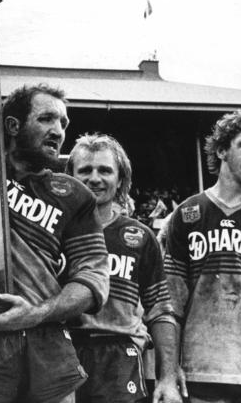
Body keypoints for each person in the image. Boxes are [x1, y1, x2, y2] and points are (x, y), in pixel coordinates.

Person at [0, 84, 109, 403]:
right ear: (13, 125)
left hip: (50, 351)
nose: (58, 131)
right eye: (46, 119)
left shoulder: (75, 196)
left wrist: (34, 313)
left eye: (63, 123)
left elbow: (93, 279)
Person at [164, 110, 241, 403]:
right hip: (201, 368)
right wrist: (168, 372)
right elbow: (171, 302)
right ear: (222, 150)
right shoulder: (187, 213)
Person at [66, 133, 183, 403]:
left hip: (119, 354)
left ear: (120, 180)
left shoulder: (140, 237)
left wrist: (167, 378)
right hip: (62, 347)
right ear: (70, 176)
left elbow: (160, 311)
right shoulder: (55, 232)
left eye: (105, 170)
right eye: (85, 170)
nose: (94, 178)